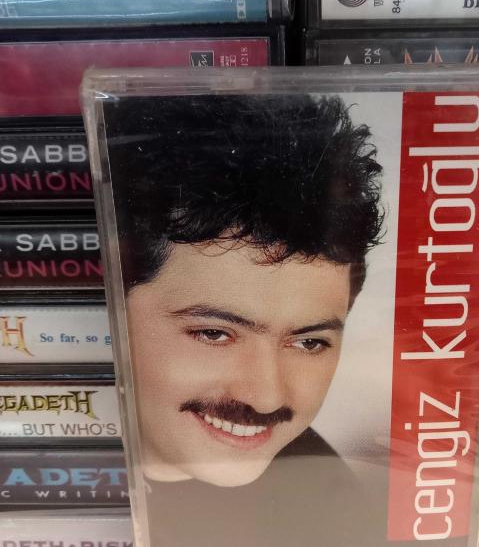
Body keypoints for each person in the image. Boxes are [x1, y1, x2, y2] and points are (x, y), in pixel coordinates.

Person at [106, 93, 385, 489]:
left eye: (308, 342)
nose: (265, 398)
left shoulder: (337, 499)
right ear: (113, 308)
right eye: (214, 333)